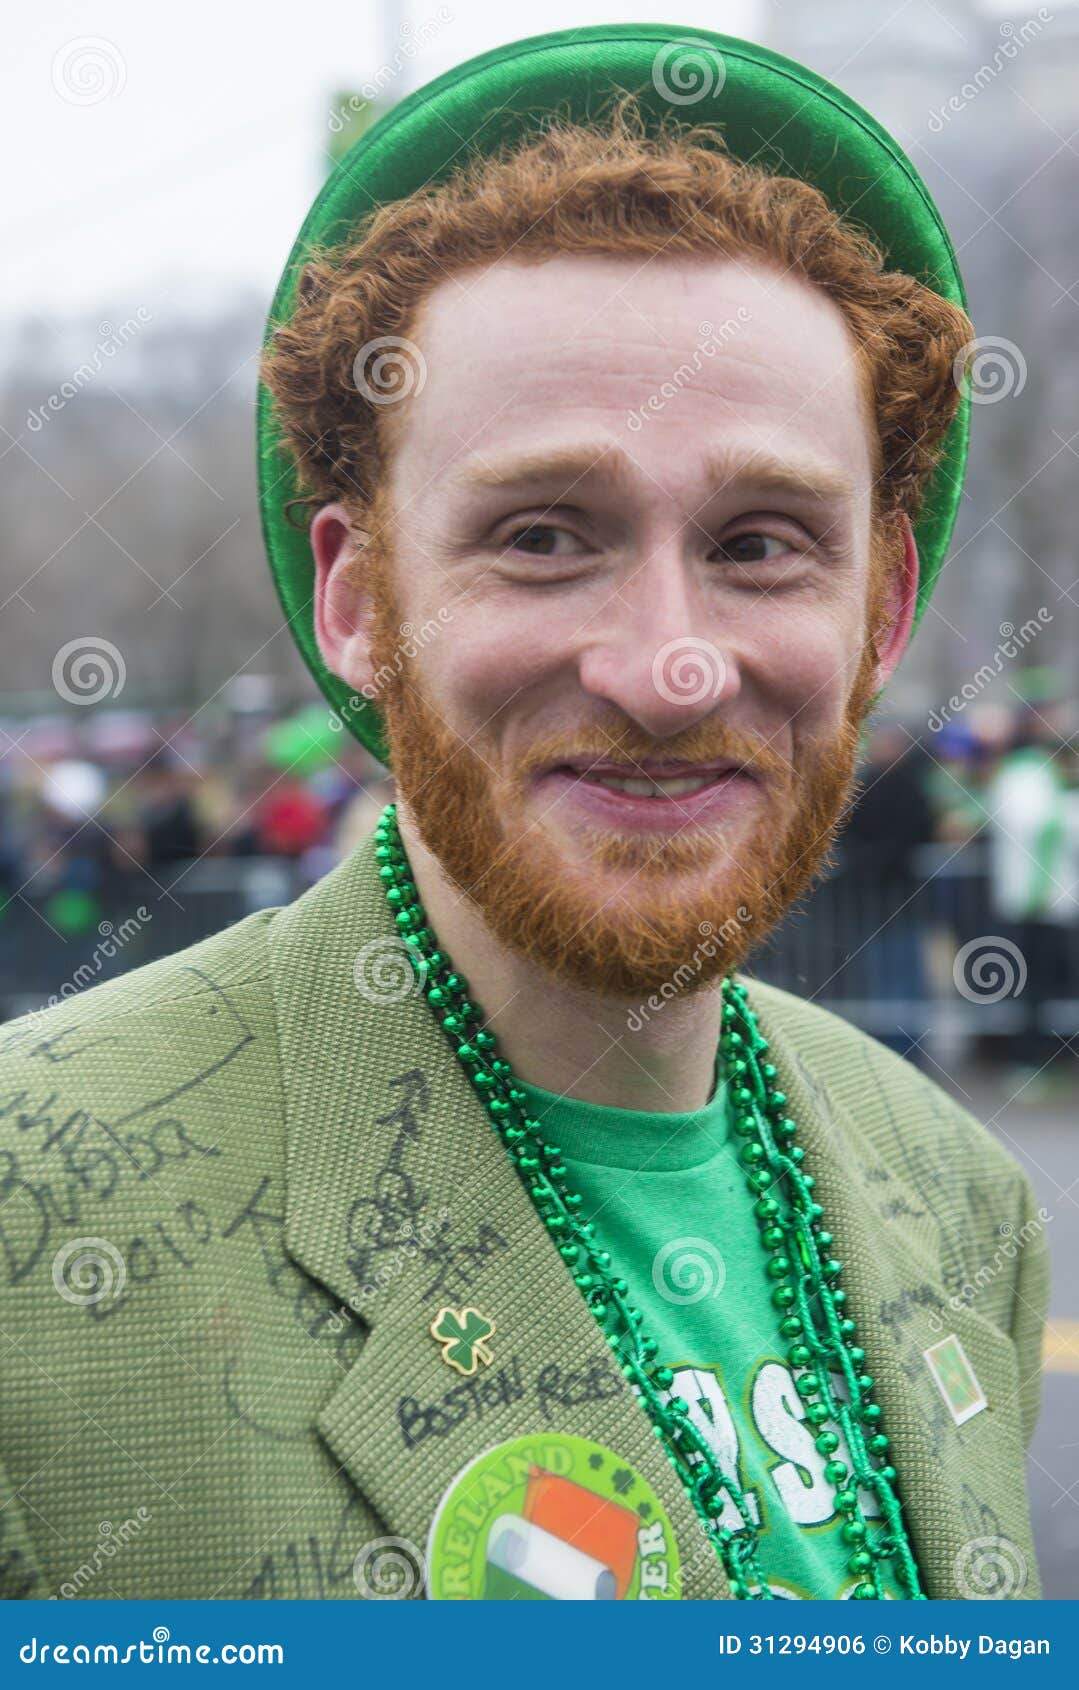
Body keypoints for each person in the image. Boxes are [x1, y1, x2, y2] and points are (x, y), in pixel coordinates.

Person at [0, 27, 1047, 1603]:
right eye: (546, 536)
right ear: (362, 600)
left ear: (882, 610)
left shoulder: (967, 1201)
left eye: (762, 543)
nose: (669, 668)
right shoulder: (31, 1221)